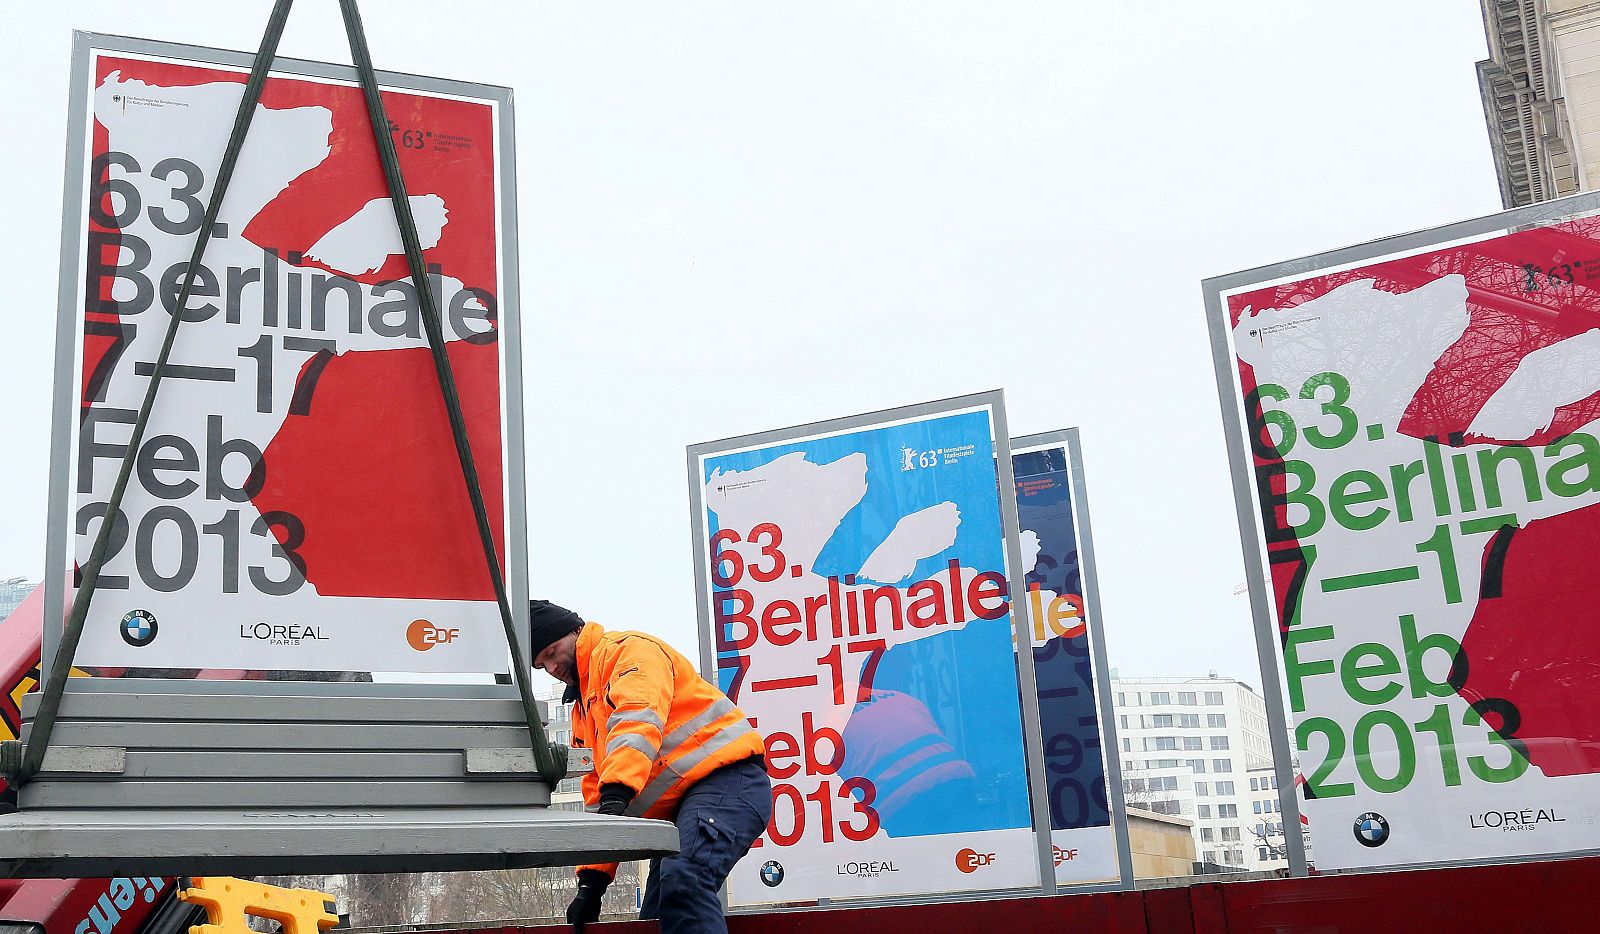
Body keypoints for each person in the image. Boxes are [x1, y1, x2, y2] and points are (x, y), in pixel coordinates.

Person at [526, 600, 770, 934]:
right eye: (542, 665)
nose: (552, 667)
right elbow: (598, 795)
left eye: (552, 652)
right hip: (689, 806)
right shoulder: (584, 708)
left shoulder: (627, 653)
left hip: (729, 783)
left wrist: (618, 791)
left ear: (575, 630)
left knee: (684, 881)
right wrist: (591, 882)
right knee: (659, 916)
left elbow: (637, 720)